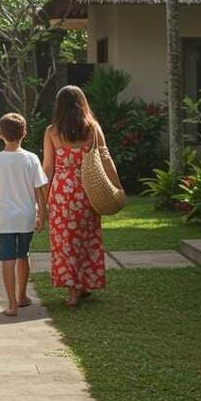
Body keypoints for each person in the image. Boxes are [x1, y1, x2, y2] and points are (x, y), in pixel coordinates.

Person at [42, 85, 121, 307]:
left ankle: (73, 292)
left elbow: (48, 167)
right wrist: (117, 185)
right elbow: (105, 158)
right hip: (88, 190)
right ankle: (86, 284)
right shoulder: (93, 128)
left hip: (62, 193)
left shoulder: (52, 132)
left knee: (64, 240)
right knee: (87, 237)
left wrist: (40, 195)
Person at [0, 113, 47, 317]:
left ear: (0, 134)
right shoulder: (32, 158)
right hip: (26, 216)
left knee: (7, 258)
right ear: (24, 133)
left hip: (5, 218)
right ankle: (22, 296)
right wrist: (42, 214)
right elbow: (39, 191)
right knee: (23, 255)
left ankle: (11, 304)